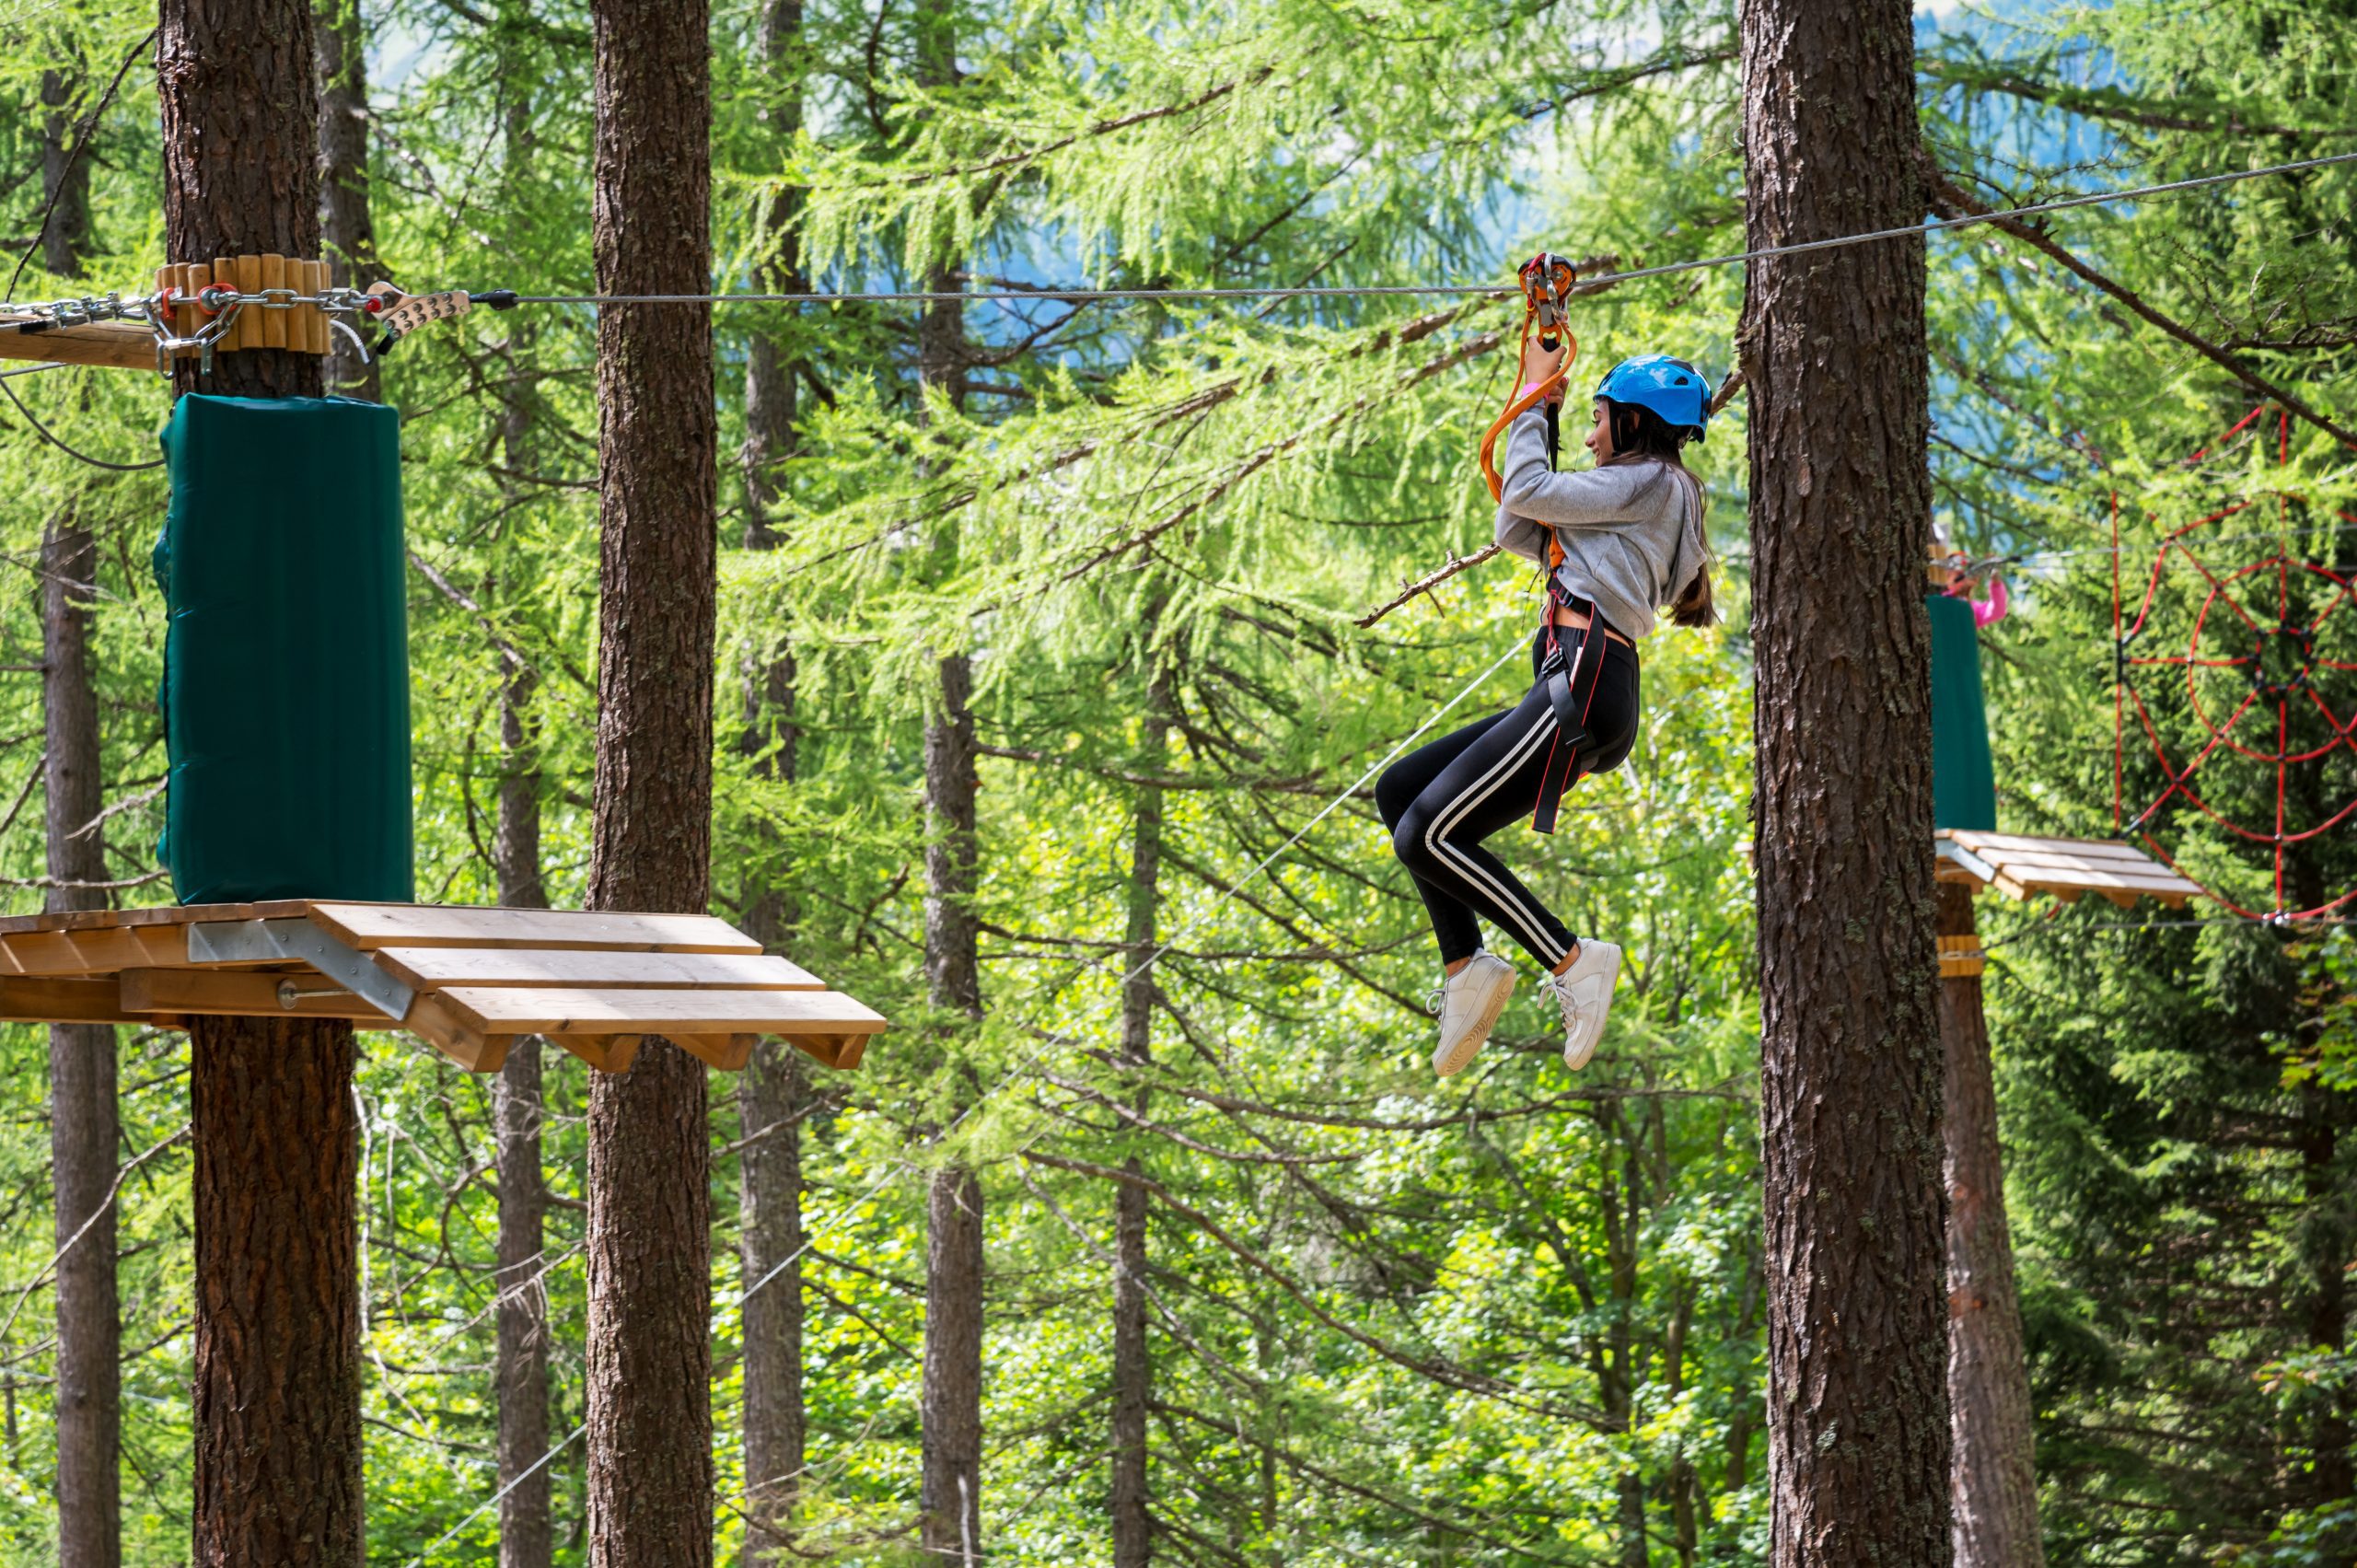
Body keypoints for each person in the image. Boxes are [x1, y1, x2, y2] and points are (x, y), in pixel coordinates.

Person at [1376, 343, 1716, 1078]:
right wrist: (1548, 413)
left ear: (1632, 423)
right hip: (1581, 678)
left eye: (1596, 421)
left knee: (1426, 835)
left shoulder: (1656, 483)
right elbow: (1517, 524)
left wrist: (1534, 397)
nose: (1591, 437)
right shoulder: (1639, 494)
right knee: (1400, 793)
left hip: (1585, 675)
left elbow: (1528, 486)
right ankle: (1466, 967)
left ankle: (1571, 958)